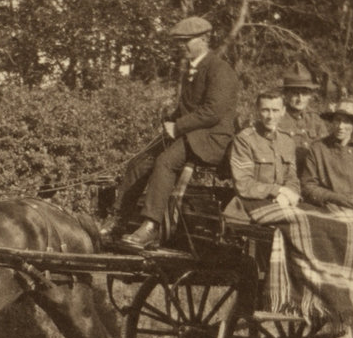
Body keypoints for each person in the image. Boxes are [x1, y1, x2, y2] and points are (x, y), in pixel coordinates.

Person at [100, 15, 240, 249]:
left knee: (165, 162)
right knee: (139, 161)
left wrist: (178, 126)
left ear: (205, 40)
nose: (183, 46)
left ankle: (150, 226)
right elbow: (188, 108)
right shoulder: (193, 70)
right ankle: (119, 219)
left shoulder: (220, 70)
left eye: (188, 40)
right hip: (192, 135)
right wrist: (170, 120)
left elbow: (212, 113)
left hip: (213, 138)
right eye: (180, 41)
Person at [301, 100, 353, 209]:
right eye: (337, 120)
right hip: (326, 207)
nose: (340, 126)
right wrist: (335, 198)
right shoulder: (318, 149)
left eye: (346, 121)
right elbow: (308, 185)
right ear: (332, 122)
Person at [228, 91, 300, 217]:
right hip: (249, 204)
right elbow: (243, 184)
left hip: (282, 202)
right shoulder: (245, 139)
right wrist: (278, 190)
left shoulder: (287, 141)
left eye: (275, 110)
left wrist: (287, 195)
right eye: (265, 110)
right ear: (257, 111)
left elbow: (292, 178)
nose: (270, 116)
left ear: (283, 111)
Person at [277, 61, 327, 170]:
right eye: (295, 93)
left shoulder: (315, 120)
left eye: (304, 94)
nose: (300, 99)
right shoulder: (276, 118)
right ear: (285, 94)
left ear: (310, 95)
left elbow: (325, 152)